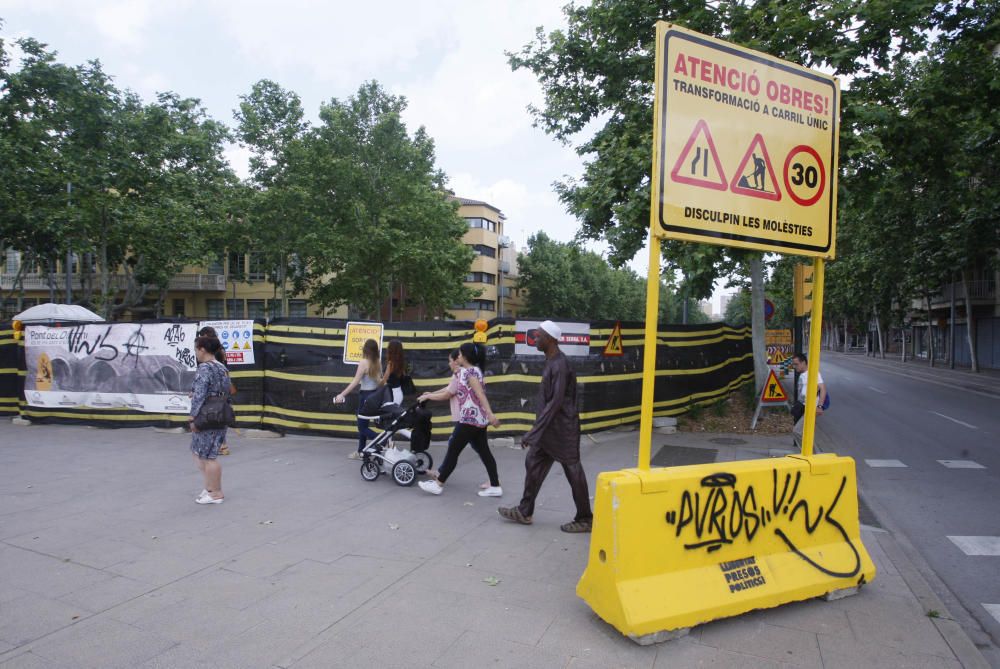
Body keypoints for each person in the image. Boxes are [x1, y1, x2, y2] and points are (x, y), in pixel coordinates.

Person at [499, 320, 593, 533]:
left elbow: (556, 402)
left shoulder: (559, 364)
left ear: (550, 339)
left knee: (573, 470)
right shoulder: (552, 361)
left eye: (539, 336)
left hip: (563, 429)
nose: (535, 339)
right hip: (549, 429)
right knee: (533, 461)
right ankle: (524, 511)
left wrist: (533, 431)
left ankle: (586, 518)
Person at [416, 342, 502, 496]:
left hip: (470, 418)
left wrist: (490, 414)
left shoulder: (471, 373)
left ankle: (438, 483)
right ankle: (495, 486)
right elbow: (452, 388)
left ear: (466, 357)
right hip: (476, 419)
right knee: (484, 451)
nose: (458, 357)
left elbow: (480, 394)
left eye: (460, 354)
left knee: (453, 449)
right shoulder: (468, 371)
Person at [188, 335, 231, 504]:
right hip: (220, 412)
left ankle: (215, 492)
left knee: (207, 456)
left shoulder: (205, 368)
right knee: (204, 453)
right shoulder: (221, 367)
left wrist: (192, 417)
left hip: (206, 414)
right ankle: (210, 488)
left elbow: (199, 394)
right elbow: (226, 389)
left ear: (202, 349)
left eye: (196, 349)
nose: (196, 353)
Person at [334, 339, 382, 459]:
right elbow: (380, 382)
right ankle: (361, 451)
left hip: (365, 396)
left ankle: (382, 441)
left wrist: (342, 395)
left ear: (365, 349)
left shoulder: (363, 362)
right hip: (375, 396)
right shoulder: (378, 362)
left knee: (362, 427)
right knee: (364, 425)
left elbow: (355, 382)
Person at [197, 326, 236, 456]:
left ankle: (220, 445)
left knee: (214, 416)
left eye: (202, 336)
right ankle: (221, 445)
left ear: (207, 336)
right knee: (219, 415)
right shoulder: (220, 349)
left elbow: (213, 371)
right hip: (222, 388)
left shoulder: (213, 352)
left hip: (215, 389)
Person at [790, 352, 826, 450]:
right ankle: (810, 455)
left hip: (811, 408)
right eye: (793, 364)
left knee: (797, 431)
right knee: (806, 434)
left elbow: (823, 389)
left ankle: (811, 456)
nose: (794, 367)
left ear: (803, 363)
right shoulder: (803, 375)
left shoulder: (813, 373)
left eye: (796, 364)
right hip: (803, 407)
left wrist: (819, 406)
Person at [381, 340, 407, 406]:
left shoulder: (391, 364)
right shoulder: (401, 362)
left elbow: (384, 380)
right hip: (398, 391)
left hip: (392, 393)